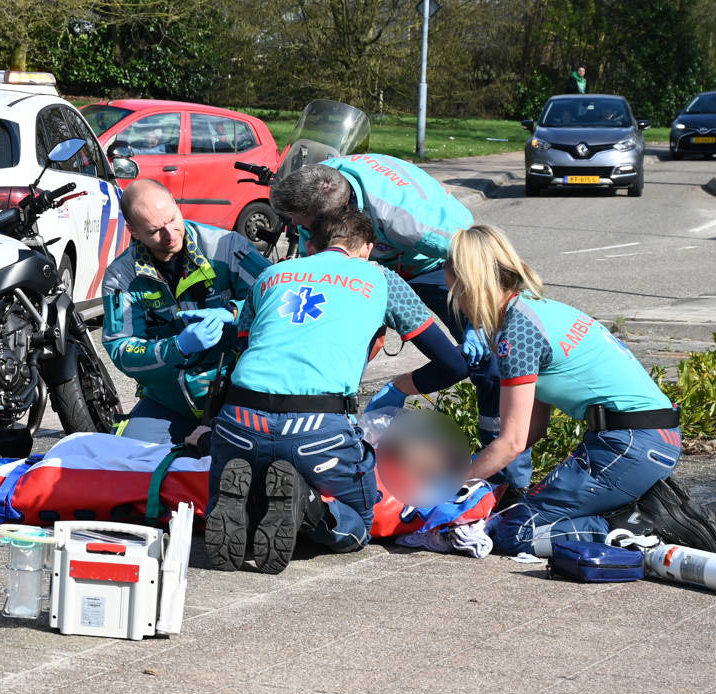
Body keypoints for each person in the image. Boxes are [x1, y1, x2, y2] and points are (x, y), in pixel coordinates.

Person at [378, 224, 682, 557]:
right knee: (516, 513)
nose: (461, 310)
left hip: (628, 445)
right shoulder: (538, 309)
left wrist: (447, 489)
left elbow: (511, 443)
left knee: (516, 532)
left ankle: (636, 523)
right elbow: (531, 429)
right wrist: (480, 476)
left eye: (456, 297)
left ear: (469, 285)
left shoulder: (516, 333)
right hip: (647, 439)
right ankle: (627, 510)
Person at [203, 209, 466, 574]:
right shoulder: (381, 279)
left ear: (311, 245)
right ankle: (311, 505)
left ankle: (250, 508)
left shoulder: (270, 276)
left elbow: (245, 345)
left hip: (240, 419)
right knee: (360, 519)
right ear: (368, 249)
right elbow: (452, 364)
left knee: (251, 471)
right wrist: (399, 387)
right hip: (317, 427)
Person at [267, 151, 521, 492]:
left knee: (488, 363)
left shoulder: (412, 220)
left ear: (338, 217)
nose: (298, 229)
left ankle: (502, 471)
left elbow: (480, 262)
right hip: (372, 260)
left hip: (432, 263)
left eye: (304, 224)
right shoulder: (322, 183)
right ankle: (327, 435)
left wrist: (479, 322)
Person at [100, 180, 268, 445]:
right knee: (131, 457)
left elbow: (278, 300)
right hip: (169, 401)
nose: (170, 234)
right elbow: (121, 349)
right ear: (134, 232)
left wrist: (234, 312)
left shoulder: (227, 247)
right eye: (155, 230)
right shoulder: (121, 278)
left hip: (238, 395)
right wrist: (176, 347)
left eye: (172, 219)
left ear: (177, 205)